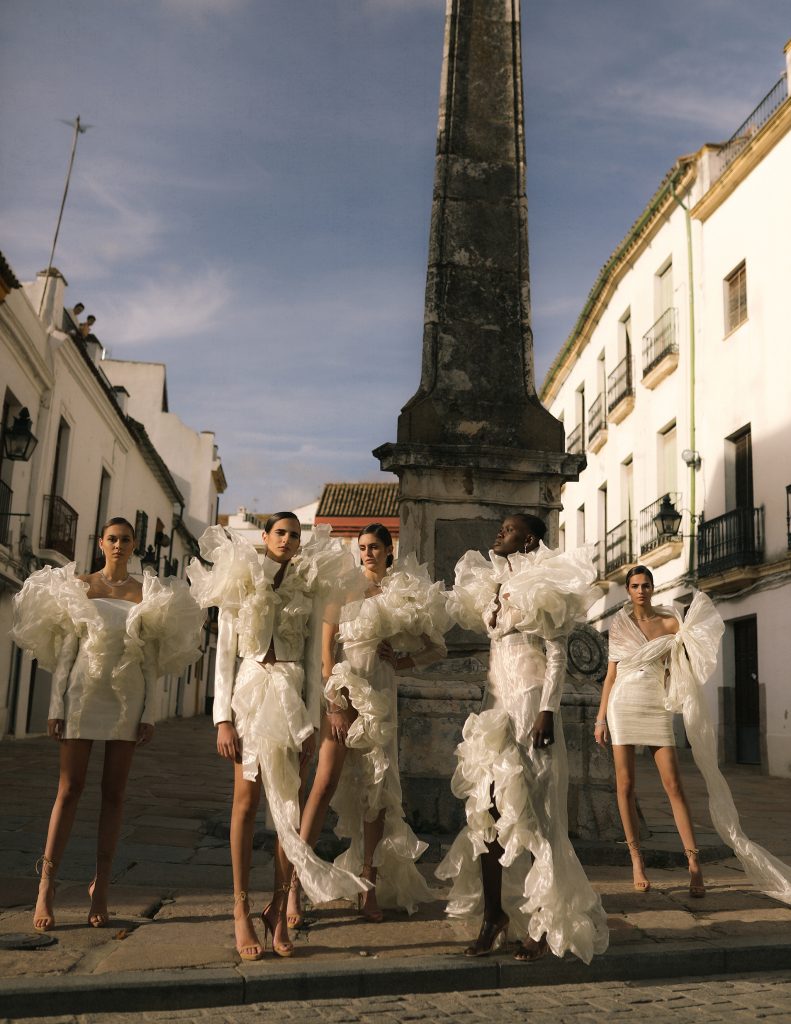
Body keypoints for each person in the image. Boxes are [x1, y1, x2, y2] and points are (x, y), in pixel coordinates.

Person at [187, 515, 366, 961]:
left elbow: (310, 659)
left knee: (289, 807)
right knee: (245, 802)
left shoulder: (309, 584)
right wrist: (221, 719)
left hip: (291, 700)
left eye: (294, 535)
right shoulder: (241, 577)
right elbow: (224, 652)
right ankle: (241, 909)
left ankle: (278, 905)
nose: (287, 541)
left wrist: (313, 721)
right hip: (248, 696)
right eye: (279, 533)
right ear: (264, 538)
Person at [13, 516, 203, 933]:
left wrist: (148, 714)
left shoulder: (145, 592)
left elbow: (150, 659)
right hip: (82, 696)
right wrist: (55, 707)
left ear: (134, 546)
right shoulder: (81, 585)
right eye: (112, 539)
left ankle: (101, 888)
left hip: (127, 699)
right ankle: (46, 884)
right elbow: (66, 652)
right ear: (101, 543)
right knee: (69, 789)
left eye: (126, 539)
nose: (119, 545)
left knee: (114, 795)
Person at [437, 514, 608, 964]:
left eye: (509, 529)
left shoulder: (543, 583)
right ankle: (493, 916)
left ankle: (544, 921)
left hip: (533, 708)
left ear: (528, 539)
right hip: (498, 709)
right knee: (488, 813)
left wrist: (548, 711)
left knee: (537, 814)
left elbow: (556, 653)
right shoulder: (493, 583)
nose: (499, 532)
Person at [596, 567, 791, 905]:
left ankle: (693, 862)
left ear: (653, 589)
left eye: (646, 585)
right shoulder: (619, 624)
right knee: (624, 785)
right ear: (627, 590)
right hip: (622, 705)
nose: (641, 591)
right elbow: (611, 675)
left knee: (674, 785)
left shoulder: (672, 623)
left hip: (655, 705)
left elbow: (684, 664)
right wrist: (600, 718)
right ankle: (636, 861)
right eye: (635, 586)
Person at [287, 523, 448, 927]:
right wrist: (334, 703)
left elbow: (436, 647)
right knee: (323, 783)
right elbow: (325, 654)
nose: (368, 553)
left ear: (388, 549)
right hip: (343, 691)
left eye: (375, 546)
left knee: (376, 794)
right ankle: (292, 886)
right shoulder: (341, 589)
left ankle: (369, 886)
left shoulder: (399, 594)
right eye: (362, 547)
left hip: (381, 694)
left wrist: (403, 660)